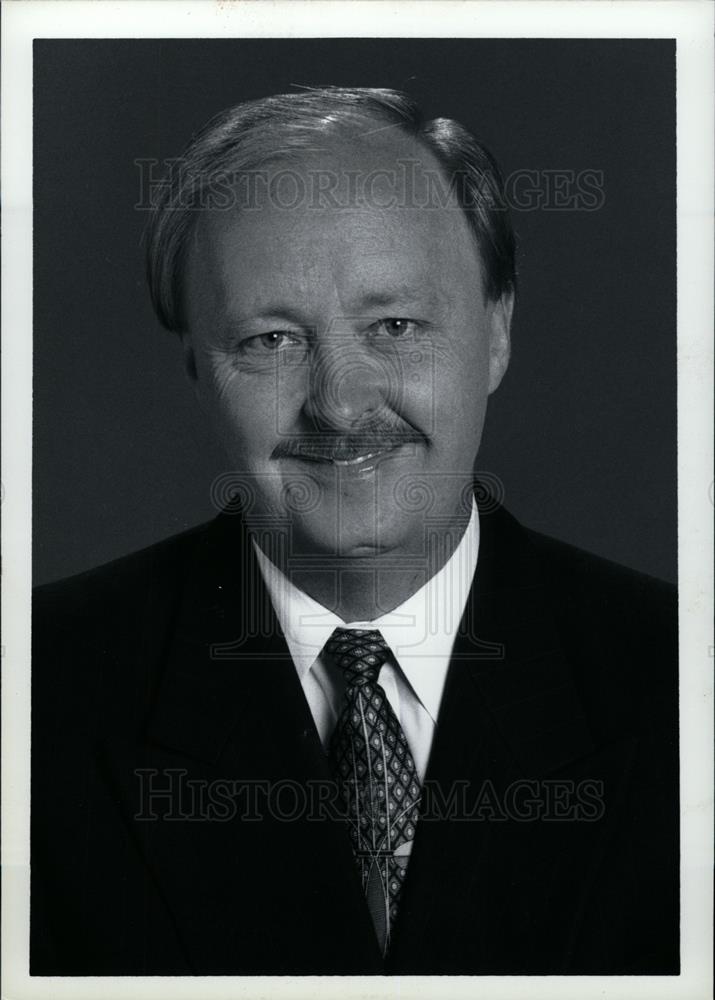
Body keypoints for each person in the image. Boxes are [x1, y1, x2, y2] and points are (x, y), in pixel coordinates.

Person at [31, 87, 678, 975]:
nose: (339, 405)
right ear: (195, 370)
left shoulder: (682, 681)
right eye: (269, 341)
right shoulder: (32, 694)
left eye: (396, 326)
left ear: (496, 333)